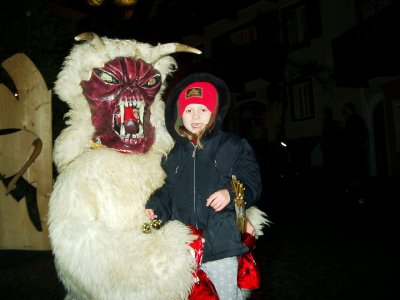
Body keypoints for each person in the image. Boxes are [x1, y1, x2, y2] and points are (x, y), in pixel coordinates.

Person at [145, 72, 262, 300]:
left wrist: (230, 193)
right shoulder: (173, 154)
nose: (196, 116)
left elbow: (251, 180)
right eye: (189, 110)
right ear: (180, 116)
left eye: (203, 109)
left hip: (221, 243)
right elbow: (168, 189)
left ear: (214, 113)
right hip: (185, 247)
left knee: (226, 294)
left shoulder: (233, 145)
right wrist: (156, 207)